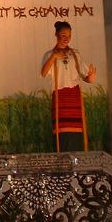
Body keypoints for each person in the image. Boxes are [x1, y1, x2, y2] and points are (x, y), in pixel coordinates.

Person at [40, 21, 96, 152]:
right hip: (60, 96)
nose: (66, 38)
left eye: (69, 36)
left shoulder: (75, 54)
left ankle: (78, 162)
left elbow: (84, 75)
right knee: (62, 131)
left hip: (74, 97)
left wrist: (90, 78)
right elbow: (43, 73)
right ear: (56, 34)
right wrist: (54, 56)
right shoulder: (49, 54)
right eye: (63, 35)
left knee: (76, 130)